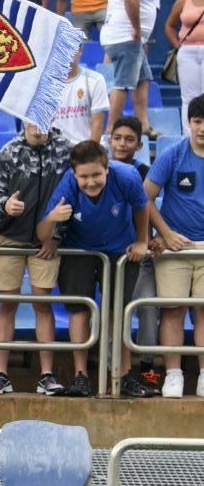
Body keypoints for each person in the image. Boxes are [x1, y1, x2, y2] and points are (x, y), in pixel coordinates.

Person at [37, 140, 157, 399]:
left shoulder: (127, 176)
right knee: (79, 310)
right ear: (74, 174)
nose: (90, 182)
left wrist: (141, 240)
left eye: (96, 175)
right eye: (84, 176)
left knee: (118, 311)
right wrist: (51, 219)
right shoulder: (68, 184)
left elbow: (141, 207)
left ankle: (123, 375)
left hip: (119, 249)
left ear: (108, 170)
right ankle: (81, 376)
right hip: (80, 249)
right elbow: (42, 233)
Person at [0, 123, 70, 396]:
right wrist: (6, 206)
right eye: (32, 118)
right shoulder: (9, 152)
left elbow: (74, 199)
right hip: (10, 239)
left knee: (42, 303)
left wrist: (55, 237)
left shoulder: (66, 151)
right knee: (7, 303)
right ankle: (0, 375)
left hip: (47, 243)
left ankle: (46, 375)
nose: (37, 125)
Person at [146, 96, 204, 398]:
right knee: (173, 310)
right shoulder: (172, 155)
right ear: (189, 123)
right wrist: (165, 233)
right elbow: (145, 197)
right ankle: (172, 374)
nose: (202, 128)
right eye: (197, 121)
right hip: (175, 248)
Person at [109, 115, 160, 387]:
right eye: (117, 138)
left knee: (147, 306)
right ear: (109, 140)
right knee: (112, 311)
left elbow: (147, 208)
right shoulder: (100, 170)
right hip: (110, 254)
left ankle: (148, 369)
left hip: (139, 255)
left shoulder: (144, 173)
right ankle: (115, 370)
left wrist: (153, 238)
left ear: (139, 145)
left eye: (129, 139)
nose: (122, 144)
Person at [100, 0, 167, 138]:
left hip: (125, 39)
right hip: (127, 38)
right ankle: (111, 129)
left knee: (143, 79)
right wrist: (137, 28)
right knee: (123, 83)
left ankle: (143, 124)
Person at [162, 0, 204, 132]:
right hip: (188, 52)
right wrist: (178, 45)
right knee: (188, 97)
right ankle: (188, 136)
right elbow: (169, 26)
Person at [52, 48, 108, 145]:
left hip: (86, 149)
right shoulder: (45, 85)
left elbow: (98, 124)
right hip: (56, 151)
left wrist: (90, 154)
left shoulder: (96, 80)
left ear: (80, 51)